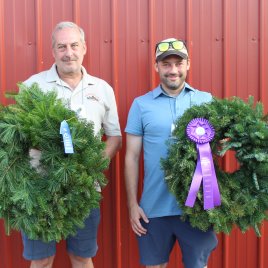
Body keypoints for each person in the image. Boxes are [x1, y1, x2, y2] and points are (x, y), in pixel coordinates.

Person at [22, 21, 122, 268]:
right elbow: (19, 137)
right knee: (42, 259)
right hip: (41, 190)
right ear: (53, 51)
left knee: (81, 256)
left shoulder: (102, 89)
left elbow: (115, 137)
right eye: (62, 46)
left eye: (74, 45)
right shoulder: (32, 86)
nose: (69, 52)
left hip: (86, 189)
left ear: (84, 48)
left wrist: (99, 161)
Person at [124, 38, 218, 268]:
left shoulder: (206, 101)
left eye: (178, 63)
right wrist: (132, 205)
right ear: (157, 67)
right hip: (153, 209)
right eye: (166, 64)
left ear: (188, 65)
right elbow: (131, 157)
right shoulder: (141, 105)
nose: (173, 70)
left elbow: (216, 149)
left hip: (197, 208)